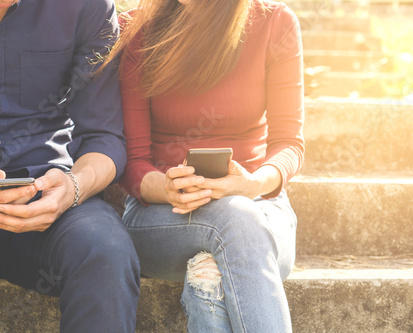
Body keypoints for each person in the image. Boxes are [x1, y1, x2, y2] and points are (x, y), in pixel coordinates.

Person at [0, 0, 139, 332]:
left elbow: (104, 136)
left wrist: (74, 187)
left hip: (53, 199)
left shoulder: (85, 6)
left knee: (106, 252)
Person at [105, 0, 304, 331]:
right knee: (235, 219)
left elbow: (289, 144)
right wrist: (167, 188)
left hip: (262, 208)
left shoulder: (274, 23)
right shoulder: (139, 30)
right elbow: (133, 162)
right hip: (161, 213)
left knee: (209, 275)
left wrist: (253, 183)